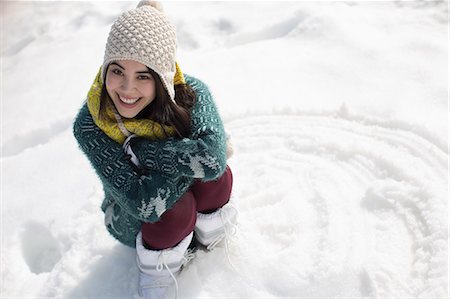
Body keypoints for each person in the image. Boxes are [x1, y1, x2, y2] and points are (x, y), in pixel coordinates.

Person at [72, 1, 237, 298]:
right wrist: (191, 159)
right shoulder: (91, 122)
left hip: (159, 186)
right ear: (105, 67)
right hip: (129, 218)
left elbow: (212, 162)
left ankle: (208, 241)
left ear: (162, 77)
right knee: (176, 206)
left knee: (218, 177)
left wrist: (144, 152)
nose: (126, 88)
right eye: (117, 71)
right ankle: (158, 274)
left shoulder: (191, 92)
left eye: (143, 76)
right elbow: (142, 203)